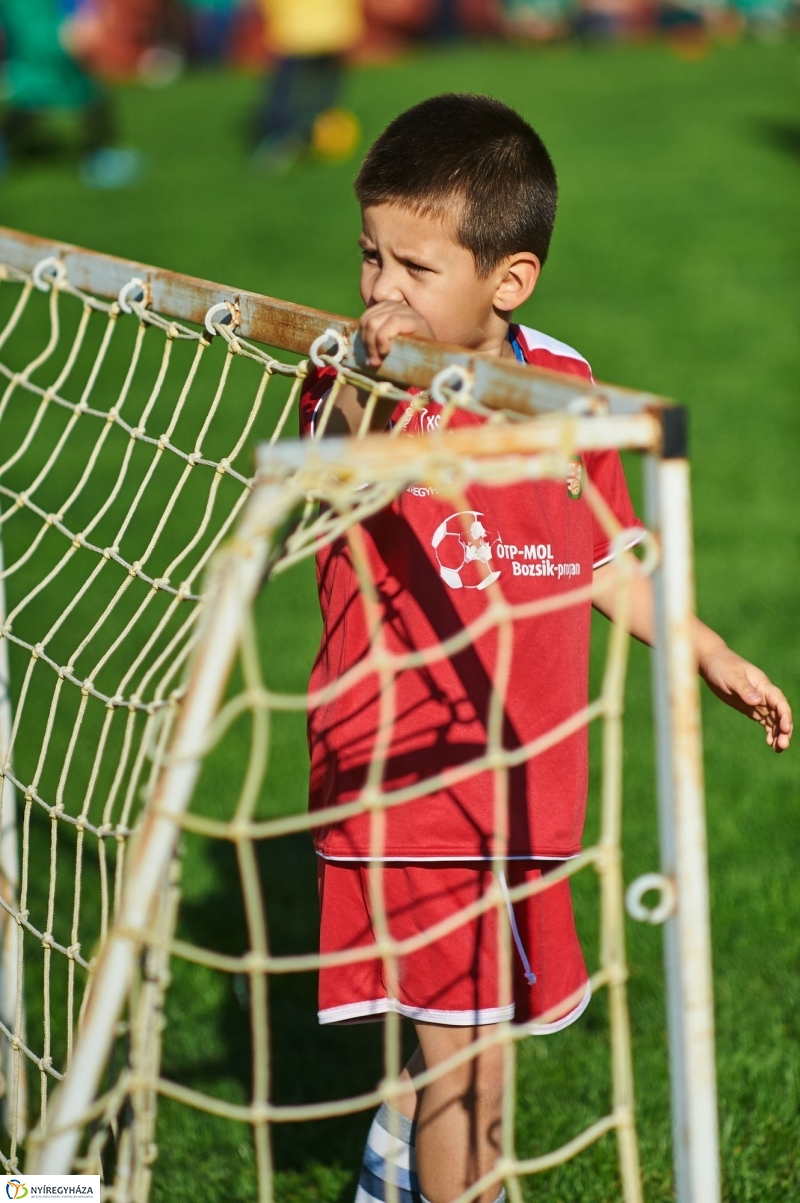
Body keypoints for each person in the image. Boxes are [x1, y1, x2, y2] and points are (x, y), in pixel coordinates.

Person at [297, 94, 793, 1203]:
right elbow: (322, 473)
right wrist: (376, 381)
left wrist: (703, 649)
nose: (380, 290)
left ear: (507, 281)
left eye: (415, 269)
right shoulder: (352, 377)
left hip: (529, 789)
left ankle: (396, 1159)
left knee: (477, 1056)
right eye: (369, 256)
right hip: (405, 787)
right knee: (470, 1083)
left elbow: (606, 557)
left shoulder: (560, 385)